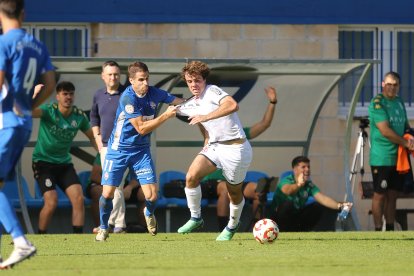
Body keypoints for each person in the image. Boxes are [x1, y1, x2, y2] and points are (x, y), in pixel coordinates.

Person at [95, 61, 183, 241]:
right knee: (107, 193)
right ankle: (104, 227)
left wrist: (201, 103)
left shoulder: (153, 92)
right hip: (118, 150)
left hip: (141, 151)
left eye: (147, 79)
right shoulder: (128, 97)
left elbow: (178, 101)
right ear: (131, 81)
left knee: (152, 195)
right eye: (141, 80)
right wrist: (166, 115)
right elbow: (142, 129)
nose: (145, 83)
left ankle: (148, 213)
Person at [0, 0, 56, 269]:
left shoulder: (4, 42)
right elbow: (50, 84)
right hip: (22, 123)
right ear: (23, 14)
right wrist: (29, 106)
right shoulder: (37, 45)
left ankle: (21, 241)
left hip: (5, 121)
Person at [177, 60, 253, 241]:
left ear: (204, 80)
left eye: (197, 80)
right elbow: (193, 117)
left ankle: (232, 226)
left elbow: (233, 105)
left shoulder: (212, 91)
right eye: (189, 81)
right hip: (216, 147)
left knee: (233, 193)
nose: (194, 85)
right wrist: (205, 136)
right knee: (191, 177)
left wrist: (205, 117)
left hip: (236, 149)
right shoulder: (193, 102)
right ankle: (196, 218)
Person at [201, 87, 277, 230]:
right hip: (212, 182)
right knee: (225, 189)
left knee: (258, 190)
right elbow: (201, 123)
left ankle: (258, 228)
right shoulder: (212, 131)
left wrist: (273, 102)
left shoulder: (240, 134)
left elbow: (265, 124)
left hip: (233, 179)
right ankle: (224, 229)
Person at [32, 81, 97, 234]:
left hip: (64, 165)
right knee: (51, 201)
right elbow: (29, 111)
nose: (68, 97)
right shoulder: (49, 110)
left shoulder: (79, 116)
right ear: (58, 96)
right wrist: (34, 94)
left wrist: (103, 153)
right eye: (65, 94)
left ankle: (78, 239)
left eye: (71, 94)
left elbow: (93, 137)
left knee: (78, 199)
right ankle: (41, 237)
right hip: (43, 163)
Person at [368, 71, 414, 231]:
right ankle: (377, 230)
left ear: (399, 86)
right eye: (389, 84)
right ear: (382, 84)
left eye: (395, 85)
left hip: (399, 158)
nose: (392, 88)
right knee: (380, 194)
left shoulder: (399, 101)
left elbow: (405, 124)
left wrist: (410, 135)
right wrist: (406, 143)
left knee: (393, 195)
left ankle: (389, 230)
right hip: (382, 158)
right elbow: (385, 130)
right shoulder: (377, 103)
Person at [90, 60, 128, 233]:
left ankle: (117, 223)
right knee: (109, 185)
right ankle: (112, 222)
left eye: (116, 74)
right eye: (110, 74)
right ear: (103, 76)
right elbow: (94, 118)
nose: (113, 77)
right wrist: (97, 139)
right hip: (105, 147)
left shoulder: (127, 94)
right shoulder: (98, 95)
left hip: (124, 146)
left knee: (116, 184)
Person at [270, 156, 353, 232]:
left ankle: (325, 235)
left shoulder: (308, 185)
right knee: (287, 204)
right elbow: (286, 191)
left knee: (321, 206)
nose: (307, 169)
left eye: (308, 167)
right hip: (279, 221)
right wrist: (298, 185)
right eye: (303, 167)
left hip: (297, 220)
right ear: (295, 170)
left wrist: (340, 206)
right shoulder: (287, 180)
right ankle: (283, 233)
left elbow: (323, 199)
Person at [85, 152, 146, 232]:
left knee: (144, 193)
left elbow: (139, 176)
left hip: (121, 184)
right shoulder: (104, 151)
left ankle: (145, 228)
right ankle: (103, 226)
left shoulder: (133, 151)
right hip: (101, 183)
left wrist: (129, 188)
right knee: (99, 192)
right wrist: (109, 186)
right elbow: (95, 176)